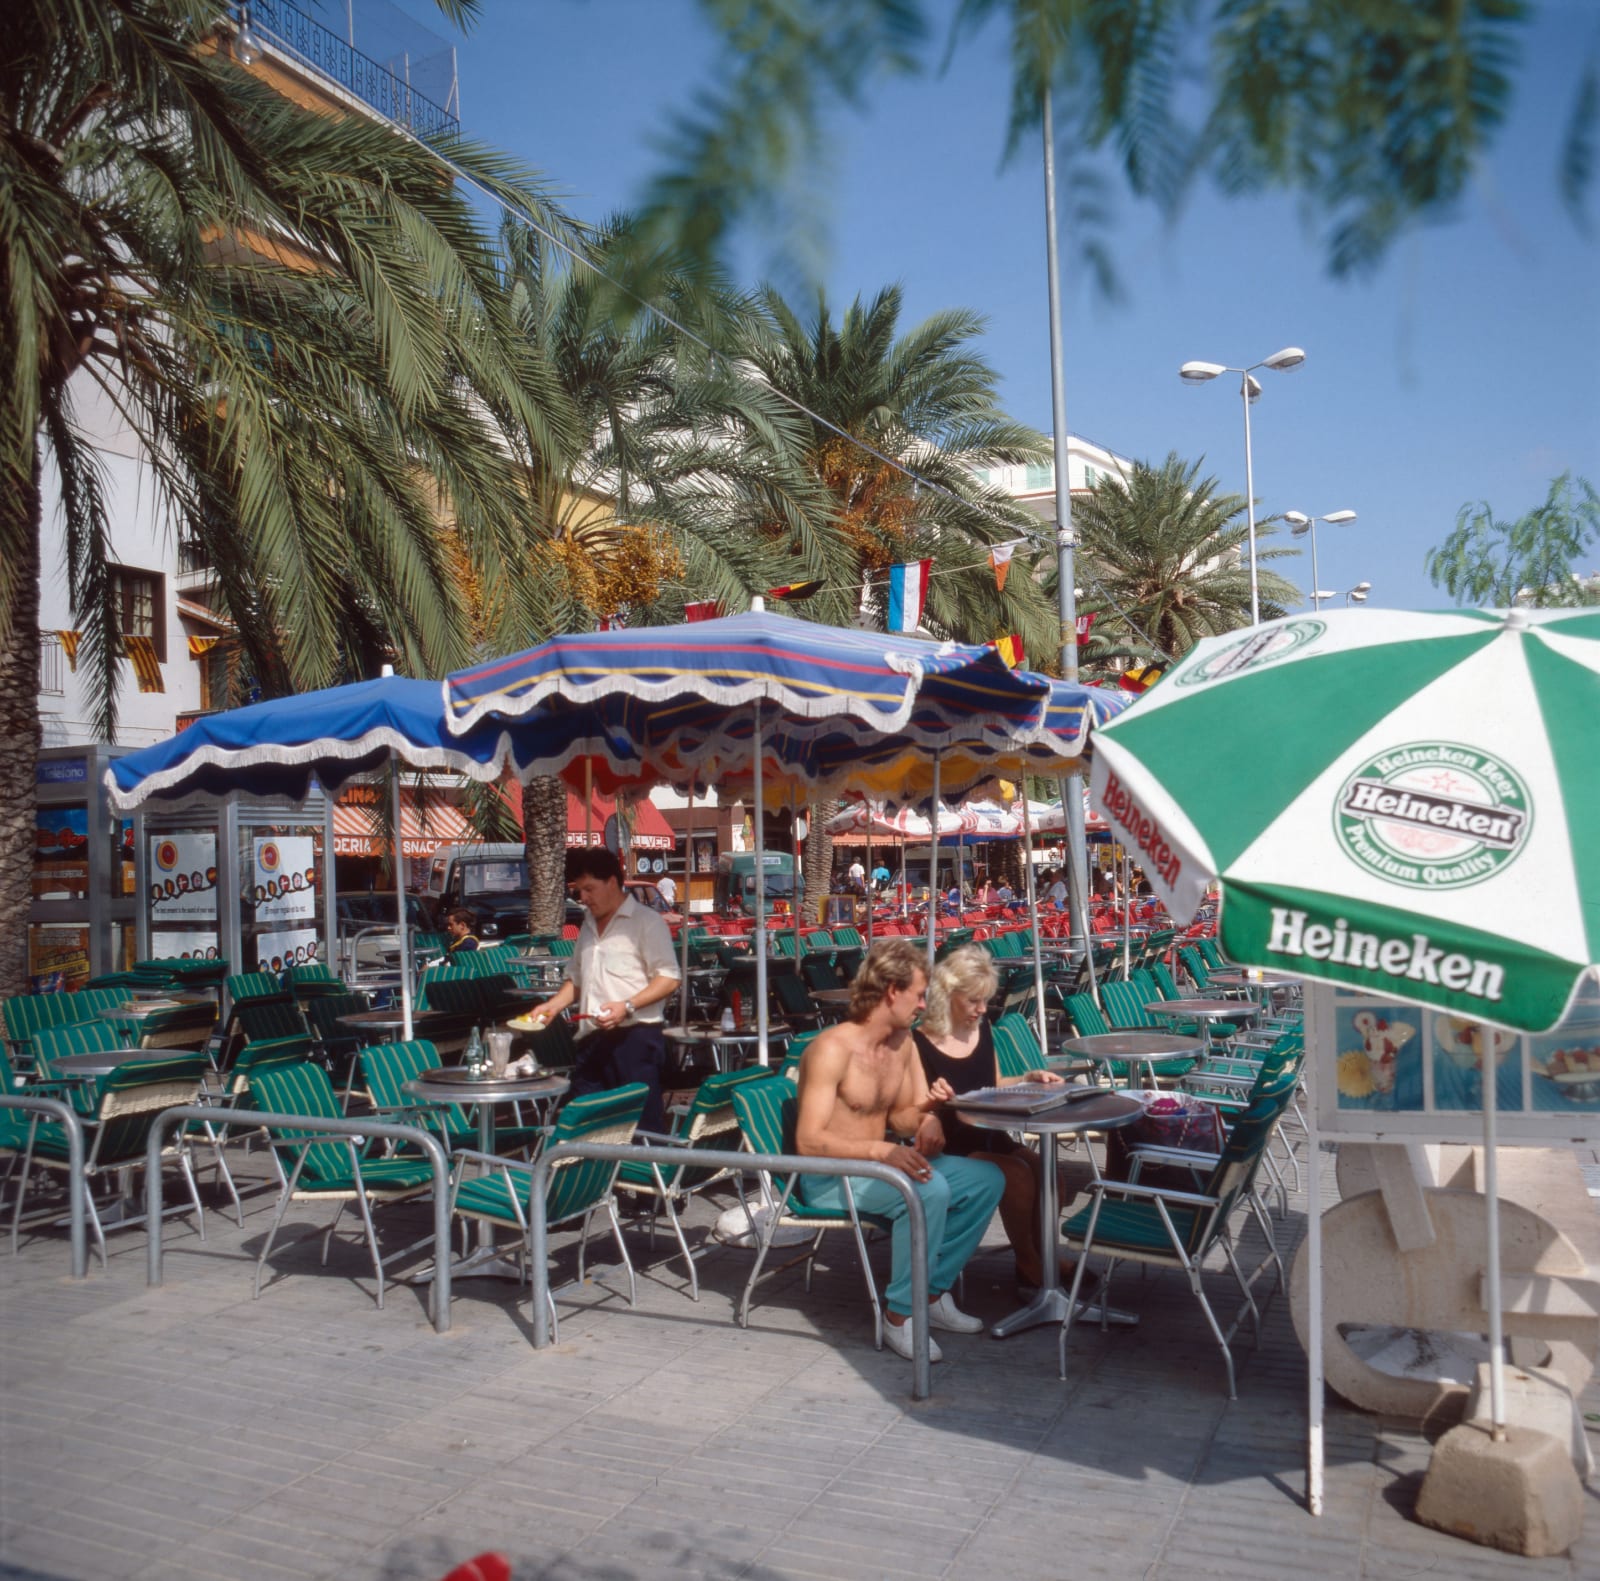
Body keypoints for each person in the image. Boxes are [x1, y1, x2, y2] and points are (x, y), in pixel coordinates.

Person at [794, 939, 1006, 1363]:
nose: (926, 1005)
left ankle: (930, 1293)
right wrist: (881, 1152)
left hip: (877, 1164)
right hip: (831, 1175)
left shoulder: (902, 1043)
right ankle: (898, 1316)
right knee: (929, 1191)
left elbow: (903, 1116)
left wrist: (927, 1116)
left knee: (987, 1180)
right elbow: (808, 1141)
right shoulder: (831, 1050)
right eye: (920, 994)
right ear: (892, 990)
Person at [912, 946, 1089, 1296]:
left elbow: (992, 1085)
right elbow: (913, 1105)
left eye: (985, 1000)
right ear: (948, 995)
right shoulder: (919, 1041)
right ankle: (1028, 1262)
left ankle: (1045, 1254)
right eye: (974, 1001)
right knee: (1018, 1176)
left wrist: (1028, 1078)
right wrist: (930, 1103)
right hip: (951, 1144)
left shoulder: (982, 1028)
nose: (981, 1009)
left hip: (988, 1134)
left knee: (1050, 1175)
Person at [529, 848, 681, 1131]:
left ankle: (648, 1175)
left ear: (612, 882)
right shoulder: (587, 924)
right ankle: (594, 1175)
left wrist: (628, 1005)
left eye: (589, 889)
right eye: (579, 891)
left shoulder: (646, 922)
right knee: (584, 1125)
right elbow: (576, 979)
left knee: (641, 1129)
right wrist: (553, 1006)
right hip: (591, 1040)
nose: (583, 898)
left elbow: (669, 978)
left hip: (635, 1040)